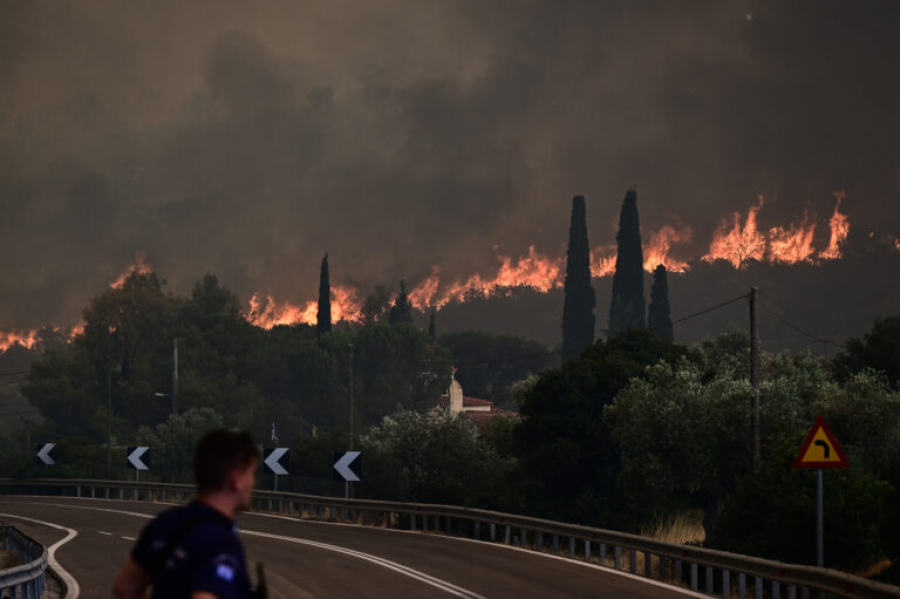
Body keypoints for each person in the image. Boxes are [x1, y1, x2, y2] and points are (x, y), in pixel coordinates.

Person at [113, 430, 263, 599]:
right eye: (251, 474)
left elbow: (125, 588)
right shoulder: (222, 542)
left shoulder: (167, 522)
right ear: (236, 480)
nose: (253, 482)